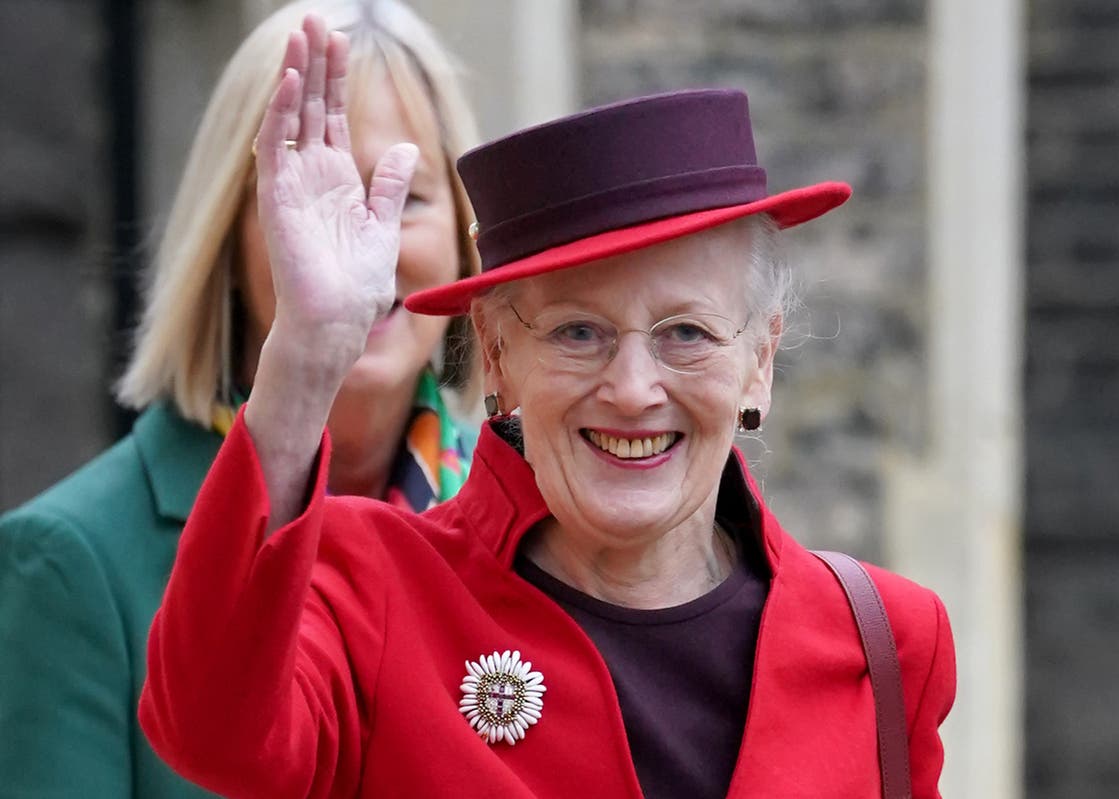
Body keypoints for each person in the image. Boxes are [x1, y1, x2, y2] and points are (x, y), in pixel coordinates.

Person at [138, 13, 957, 799]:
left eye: (687, 333)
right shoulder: (379, 586)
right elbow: (209, 734)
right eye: (577, 332)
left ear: (760, 361)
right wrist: (308, 357)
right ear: (497, 358)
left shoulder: (884, 639)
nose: (634, 389)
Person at [0, 2, 481, 796]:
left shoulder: (536, 526)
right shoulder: (68, 561)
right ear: (227, 240)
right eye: (320, 190)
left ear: (467, 237)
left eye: (407, 196)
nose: (365, 242)